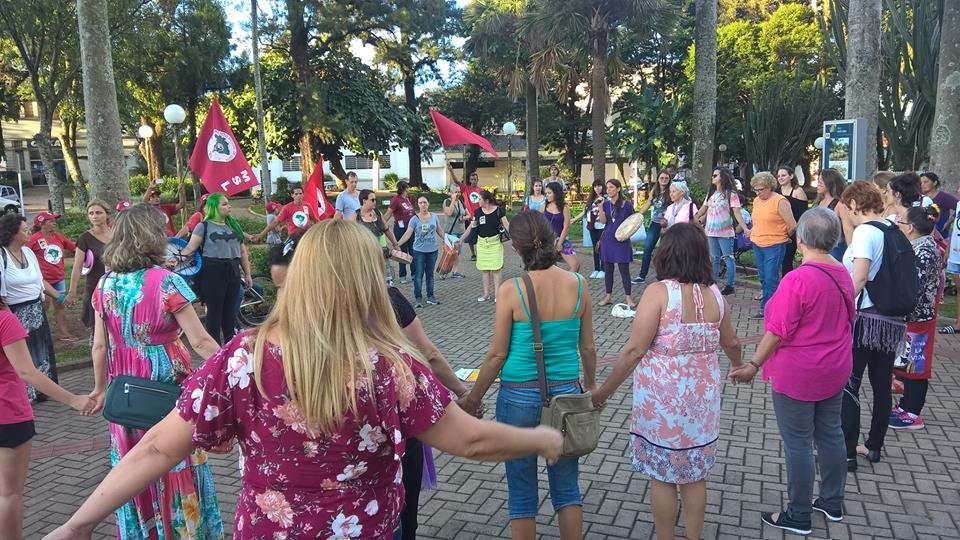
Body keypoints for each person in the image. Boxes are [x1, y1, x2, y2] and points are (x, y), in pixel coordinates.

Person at [44, 219, 563, 540]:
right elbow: (470, 441)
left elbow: (158, 447)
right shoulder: (389, 369)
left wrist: (79, 521)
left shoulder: (242, 357)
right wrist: (538, 438)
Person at [264, 229, 478, 540]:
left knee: (403, 517)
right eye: (278, 291)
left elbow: (427, 358)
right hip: (315, 507)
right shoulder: (257, 355)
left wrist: (463, 394)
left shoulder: (386, 352)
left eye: (291, 288)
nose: (286, 303)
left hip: (386, 461)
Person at [591, 223, 743, 540]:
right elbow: (731, 342)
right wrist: (739, 366)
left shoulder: (659, 293)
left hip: (662, 403)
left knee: (663, 477)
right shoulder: (716, 294)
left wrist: (603, 392)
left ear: (666, 253)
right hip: (702, 404)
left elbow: (634, 351)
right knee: (694, 476)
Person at [87, 204, 225, 539]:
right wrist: (235, 371)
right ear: (152, 237)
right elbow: (202, 342)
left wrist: (99, 388)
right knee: (172, 462)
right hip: (165, 394)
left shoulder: (104, 285)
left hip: (125, 396)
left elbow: (99, 347)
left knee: (132, 469)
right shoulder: (167, 283)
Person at [457, 210, 597, 540]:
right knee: (567, 488)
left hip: (517, 395)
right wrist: (591, 385)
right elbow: (588, 348)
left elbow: (496, 355)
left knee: (521, 492)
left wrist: (473, 397)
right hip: (566, 395)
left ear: (516, 249)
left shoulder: (511, 289)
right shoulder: (578, 285)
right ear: (550, 240)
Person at [729, 208, 853, 535]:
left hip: (800, 373)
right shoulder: (842, 271)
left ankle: (798, 513)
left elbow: (777, 331)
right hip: (835, 366)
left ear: (800, 240)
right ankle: (831, 501)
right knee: (831, 433)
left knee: (797, 442)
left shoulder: (797, 279)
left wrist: (753, 364)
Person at [0, 300, 96, 537]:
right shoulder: (4, 321)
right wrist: (73, 399)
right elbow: (27, 371)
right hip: (8, 414)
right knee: (8, 494)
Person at [839, 180, 908, 468]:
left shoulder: (866, 231)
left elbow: (860, 276)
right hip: (890, 320)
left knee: (849, 385)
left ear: (855, 204)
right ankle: (875, 445)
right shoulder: (892, 228)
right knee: (881, 385)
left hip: (865, 319)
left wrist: (840, 307)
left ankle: (847, 452)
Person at [891, 206, 942, 430]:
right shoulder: (920, 246)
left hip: (919, 317)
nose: (897, 225)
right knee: (909, 362)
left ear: (910, 228)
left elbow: (913, 286)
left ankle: (913, 412)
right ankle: (905, 406)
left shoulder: (924, 251)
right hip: (913, 316)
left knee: (916, 364)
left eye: (900, 222)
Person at [0, 214, 61, 402]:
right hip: (14, 312)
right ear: (12, 233)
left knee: (40, 350)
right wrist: (9, 318)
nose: (28, 232)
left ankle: (43, 390)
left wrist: (59, 296)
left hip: (36, 309)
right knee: (21, 355)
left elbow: (40, 280)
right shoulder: (2, 256)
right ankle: (24, 393)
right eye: (24, 229)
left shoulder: (28, 252)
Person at [180, 193, 253, 344]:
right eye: (224, 204)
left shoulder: (234, 225)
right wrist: (174, 259)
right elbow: (190, 249)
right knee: (214, 312)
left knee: (230, 312)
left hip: (232, 270)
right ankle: (214, 351)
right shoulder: (203, 226)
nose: (229, 206)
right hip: (212, 272)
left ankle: (228, 346)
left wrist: (248, 274)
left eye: (228, 203)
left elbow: (243, 252)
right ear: (214, 207)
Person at [749, 172, 798, 319]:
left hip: (774, 244)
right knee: (763, 277)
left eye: (761, 189)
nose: (758, 193)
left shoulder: (780, 201)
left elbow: (792, 225)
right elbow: (757, 222)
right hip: (757, 243)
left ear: (770, 187)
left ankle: (770, 309)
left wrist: (784, 237)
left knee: (771, 277)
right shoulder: (757, 201)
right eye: (755, 190)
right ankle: (770, 306)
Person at [694, 168, 749, 296]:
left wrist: (745, 228)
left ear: (722, 177)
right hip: (710, 232)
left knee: (728, 258)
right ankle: (713, 283)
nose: (712, 177)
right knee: (714, 258)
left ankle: (730, 285)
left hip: (725, 232)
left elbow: (736, 212)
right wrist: (693, 220)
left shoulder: (731, 194)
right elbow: (703, 209)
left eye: (715, 175)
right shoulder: (711, 194)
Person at [27, 212, 78, 341]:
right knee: (43, 306)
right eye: (51, 221)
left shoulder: (59, 237)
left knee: (60, 305)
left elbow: (75, 248)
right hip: (43, 281)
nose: (54, 223)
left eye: (54, 221)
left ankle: (63, 333)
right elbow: (23, 254)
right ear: (42, 224)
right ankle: (40, 334)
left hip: (58, 278)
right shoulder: (34, 239)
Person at [65, 201, 112, 340]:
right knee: (97, 332)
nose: (94, 216)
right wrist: (72, 292)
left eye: (98, 212)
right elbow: (77, 266)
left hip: (115, 287)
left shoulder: (117, 235)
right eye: (91, 213)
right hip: (94, 288)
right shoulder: (85, 238)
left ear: (107, 214)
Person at [458, 191, 510, 302]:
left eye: (480, 199)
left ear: (486, 201)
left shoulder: (498, 211)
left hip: (495, 243)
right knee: (485, 270)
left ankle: (497, 295)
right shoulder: (477, 212)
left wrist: (516, 239)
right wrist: (461, 239)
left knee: (496, 269)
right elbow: (471, 227)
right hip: (482, 244)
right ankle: (486, 294)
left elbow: (506, 224)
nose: (478, 201)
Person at [397, 196, 445, 307]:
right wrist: (397, 244)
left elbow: (440, 231)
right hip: (419, 251)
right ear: (418, 205)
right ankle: (418, 298)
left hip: (432, 250)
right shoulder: (414, 219)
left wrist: (448, 240)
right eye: (420, 203)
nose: (423, 205)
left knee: (430, 275)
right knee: (418, 275)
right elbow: (408, 234)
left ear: (428, 203)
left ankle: (430, 296)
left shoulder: (434, 216)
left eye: (425, 202)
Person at [597, 179, 636, 308]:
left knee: (624, 270)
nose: (608, 190)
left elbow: (633, 221)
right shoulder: (606, 204)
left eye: (611, 187)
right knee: (608, 269)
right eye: (607, 187)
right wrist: (600, 207)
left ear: (618, 189)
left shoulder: (627, 204)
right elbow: (603, 222)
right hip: (608, 239)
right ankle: (608, 296)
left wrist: (627, 234)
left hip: (621, 240)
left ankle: (628, 298)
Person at [632, 171, 671, 284]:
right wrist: (638, 215)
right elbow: (648, 204)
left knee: (664, 251)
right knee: (647, 248)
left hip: (666, 224)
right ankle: (642, 275)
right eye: (662, 178)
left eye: (666, 178)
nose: (664, 180)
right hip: (654, 223)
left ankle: (663, 276)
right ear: (658, 179)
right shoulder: (655, 191)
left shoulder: (671, 190)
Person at [358, 189, 401, 285]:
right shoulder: (356, 216)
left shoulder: (377, 213)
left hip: (382, 252)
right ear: (364, 201)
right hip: (366, 253)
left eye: (375, 199)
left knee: (387, 280)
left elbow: (386, 230)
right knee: (370, 280)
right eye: (372, 200)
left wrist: (395, 244)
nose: (375, 202)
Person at [776, 166, 808, 276]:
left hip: (792, 232)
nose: (780, 178)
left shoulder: (797, 191)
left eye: (783, 175)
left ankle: (787, 285)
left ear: (791, 176)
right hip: (777, 231)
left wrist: (791, 231)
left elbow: (802, 215)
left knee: (787, 260)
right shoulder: (776, 192)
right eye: (779, 176)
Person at [543, 182, 580, 273]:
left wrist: (560, 243)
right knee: (551, 269)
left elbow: (566, 226)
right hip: (547, 242)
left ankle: (567, 284)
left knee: (575, 265)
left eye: (549, 193)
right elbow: (537, 224)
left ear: (556, 193)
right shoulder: (544, 206)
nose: (547, 195)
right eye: (546, 193)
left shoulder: (564, 207)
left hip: (562, 240)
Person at [572, 179, 606, 280]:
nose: (597, 188)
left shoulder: (606, 198)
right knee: (595, 247)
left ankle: (603, 269)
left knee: (602, 247)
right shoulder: (591, 198)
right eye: (595, 186)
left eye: (599, 186)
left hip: (602, 226)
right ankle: (596, 268)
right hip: (592, 226)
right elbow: (585, 211)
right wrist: (574, 219)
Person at [447, 164, 481, 261]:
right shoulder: (466, 189)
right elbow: (456, 182)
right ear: (470, 180)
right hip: (470, 217)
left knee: (479, 236)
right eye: (472, 179)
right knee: (470, 236)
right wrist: (451, 171)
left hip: (479, 217)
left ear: (477, 180)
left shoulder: (481, 191)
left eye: (475, 179)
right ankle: (473, 254)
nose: (473, 181)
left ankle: (480, 253)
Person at [384, 181, 416, 283]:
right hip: (400, 229)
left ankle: (414, 274)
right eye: (408, 187)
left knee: (412, 251)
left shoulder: (407, 199)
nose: (409, 189)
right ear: (404, 188)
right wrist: (381, 224)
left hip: (411, 229)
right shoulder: (396, 200)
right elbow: (389, 213)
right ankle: (402, 275)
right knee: (401, 251)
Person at [815, 168, 848, 260]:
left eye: (821, 182)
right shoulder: (819, 202)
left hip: (835, 248)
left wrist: (852, 251)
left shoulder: (839, 204)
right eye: (818, 182)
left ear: (830, 183)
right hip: (819, 246)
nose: (818, 185)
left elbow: (847, 228)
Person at [440, 183, 468, 278]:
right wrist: (453, 200)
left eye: (459, 191)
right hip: (451, 233)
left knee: (457, 253)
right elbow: (449, 212)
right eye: (456, 192)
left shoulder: (461, 202)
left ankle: (454, 271)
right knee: (452, 253)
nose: (458, 194)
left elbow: (469, 214)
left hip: (461, 232)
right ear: (451, 193)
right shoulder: (447, 202)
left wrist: (464, 218)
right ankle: (444, 271)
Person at [920, 171, 957, 236]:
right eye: (921, 183)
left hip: (940, 236)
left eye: (926, 182)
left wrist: (949, 222)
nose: (922, 184)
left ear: (934, 183)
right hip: (923, 234)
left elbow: (959, 207)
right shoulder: (919, 197)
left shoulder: (944, 196)